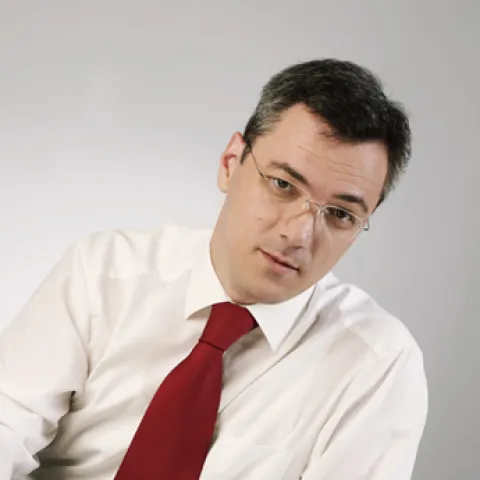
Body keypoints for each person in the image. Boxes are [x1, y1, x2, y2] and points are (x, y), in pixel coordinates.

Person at [0, 58, 428, 480]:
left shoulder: (375, 364)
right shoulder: (104, 274)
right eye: (282, 185)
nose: (298, 234)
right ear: (230, 163)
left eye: (339, 214)